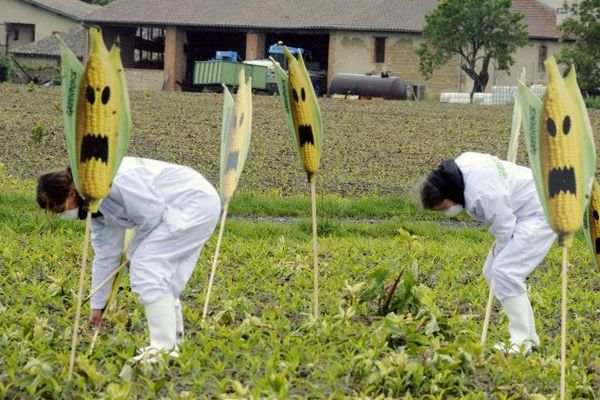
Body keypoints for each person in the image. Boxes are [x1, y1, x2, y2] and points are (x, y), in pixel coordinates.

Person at [36, 157, 221, 362]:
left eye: (60, 210)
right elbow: (106, 256)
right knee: (164, 279)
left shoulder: (115, 178)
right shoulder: (95, 205)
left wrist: (134, 252)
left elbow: (152, 214)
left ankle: (162, 350)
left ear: (71, 194)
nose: (62, 215)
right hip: (188, 207)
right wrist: (97, 307)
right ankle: (174, 345)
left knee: (145, 266)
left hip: (191, 202)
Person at [420, 152, 556, 353]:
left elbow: (505, 228)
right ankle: (529, 338)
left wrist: (500, 248)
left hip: (540, 212)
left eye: (443, 207)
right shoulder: (463, 164)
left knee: (506, 271)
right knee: (491, 271)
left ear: (448, 194)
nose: (447, 211)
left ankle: (521, 342)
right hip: (523, 209)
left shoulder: (482, 195)